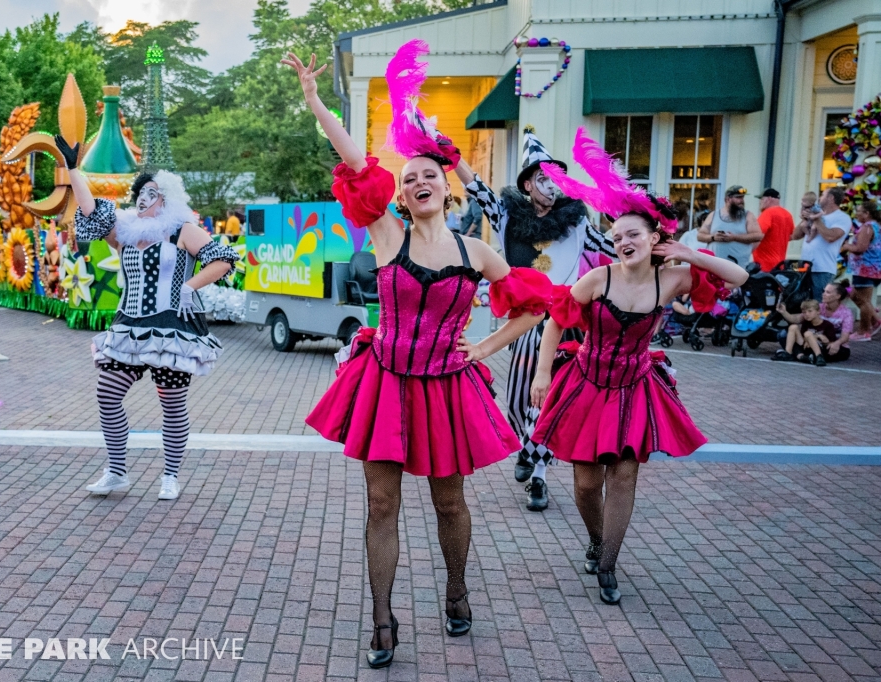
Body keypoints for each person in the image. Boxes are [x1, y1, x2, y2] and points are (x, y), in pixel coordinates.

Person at [287, 45, 552, 668]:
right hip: (383, 382)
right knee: (382, 503)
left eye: (429, 173)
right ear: (400, 196)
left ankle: (456, 590)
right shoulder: (386, 233)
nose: (419, 180)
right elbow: (356, 159)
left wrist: (482, 347)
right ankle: (382, 619)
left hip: (446, 387)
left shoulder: (477, 253)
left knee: (449, 501)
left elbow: (534, 305)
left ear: (446, 184)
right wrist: (315, 102)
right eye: (408, 177)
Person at [527, 127, 749, 605]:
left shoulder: (673, 279)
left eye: (632, 234)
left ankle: (608, 563)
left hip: (634, 387)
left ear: (654, 238)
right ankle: (594, 537)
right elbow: (554, 323)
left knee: (623, 475)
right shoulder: (596, 278)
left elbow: (740, 276)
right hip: (587, 384)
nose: (622, 241)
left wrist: (690, 253)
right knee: (586, 485)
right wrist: (543, 374)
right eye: (616, 235)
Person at [54, 133, 240, 502]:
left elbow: (223, 258)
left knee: (171, 401)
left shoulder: (183, 230)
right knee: (108, 392)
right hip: (129, 325)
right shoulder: (124, 232)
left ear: (166, 199)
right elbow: (91, 212)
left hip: (172, 327)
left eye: (152, 192)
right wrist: (73, 169)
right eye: (141, 191)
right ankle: (116, 471)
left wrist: (190, 286)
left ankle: (170, 474)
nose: (143, 196)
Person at [455, 126, 616, 512]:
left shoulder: (577, 224)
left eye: (557, 178)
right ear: (527, 185)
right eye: (543, 178)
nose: (552, 185)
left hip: (565, 319)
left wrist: (648, 237)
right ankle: (527, 448)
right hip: (525, 318)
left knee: (546, 398)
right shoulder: (508, 214)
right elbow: (478, 190)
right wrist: (453, 157)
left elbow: (613, 247)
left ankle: (539, 475)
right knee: (519, 400)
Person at [791, 186, 853, 300]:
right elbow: (795, 235)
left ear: (831, 198)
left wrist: (816, 219)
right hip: (805, 267)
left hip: (823, 269)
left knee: (819, 305)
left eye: (822, 195)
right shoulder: (816, 214)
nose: (819, 198)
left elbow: (830, 236)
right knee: (803, 305)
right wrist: (805, 219)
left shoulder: (842, 218)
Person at [841, 201, 881, 339]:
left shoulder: (868, 227)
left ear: (867, 213)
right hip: (871, 268)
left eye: (859, 211)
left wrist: (847, 246)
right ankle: (875, 321)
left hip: (865, 268)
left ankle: (863, 331)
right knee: (854, 294)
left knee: (864, 300)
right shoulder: (876, 226)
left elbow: (860, 248)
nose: (856, 214)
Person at [696, 185, 762, 267]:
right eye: (738, 197)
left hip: (738, 267)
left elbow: (758, 236)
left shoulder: (748, 215)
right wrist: (713, 237)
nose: (742, 201)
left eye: (742, 197)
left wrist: (734, 238)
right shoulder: (714, 215)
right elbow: (700, 236)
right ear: (727, 199)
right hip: (714, 267)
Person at [773, 298, 841, 365]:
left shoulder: (827, 325)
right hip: (806, 346)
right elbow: (803, 337)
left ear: (818, 311)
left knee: (808, 333)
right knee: (793, 327)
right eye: (804, 312)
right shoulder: (806, 323)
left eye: (810, 311)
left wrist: (816, 337)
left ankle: (819, 357)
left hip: (820, 347)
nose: (807, 314)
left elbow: (830, 342)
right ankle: (788, 353)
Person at [752, 188, 794, 272]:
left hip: (764, 265)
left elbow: (757, 235)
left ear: (769, 199)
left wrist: (745, 251)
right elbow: (792, 236)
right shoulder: (787, 215)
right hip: (780, 265)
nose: (760, 202)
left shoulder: (767, 213)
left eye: (762, 199)